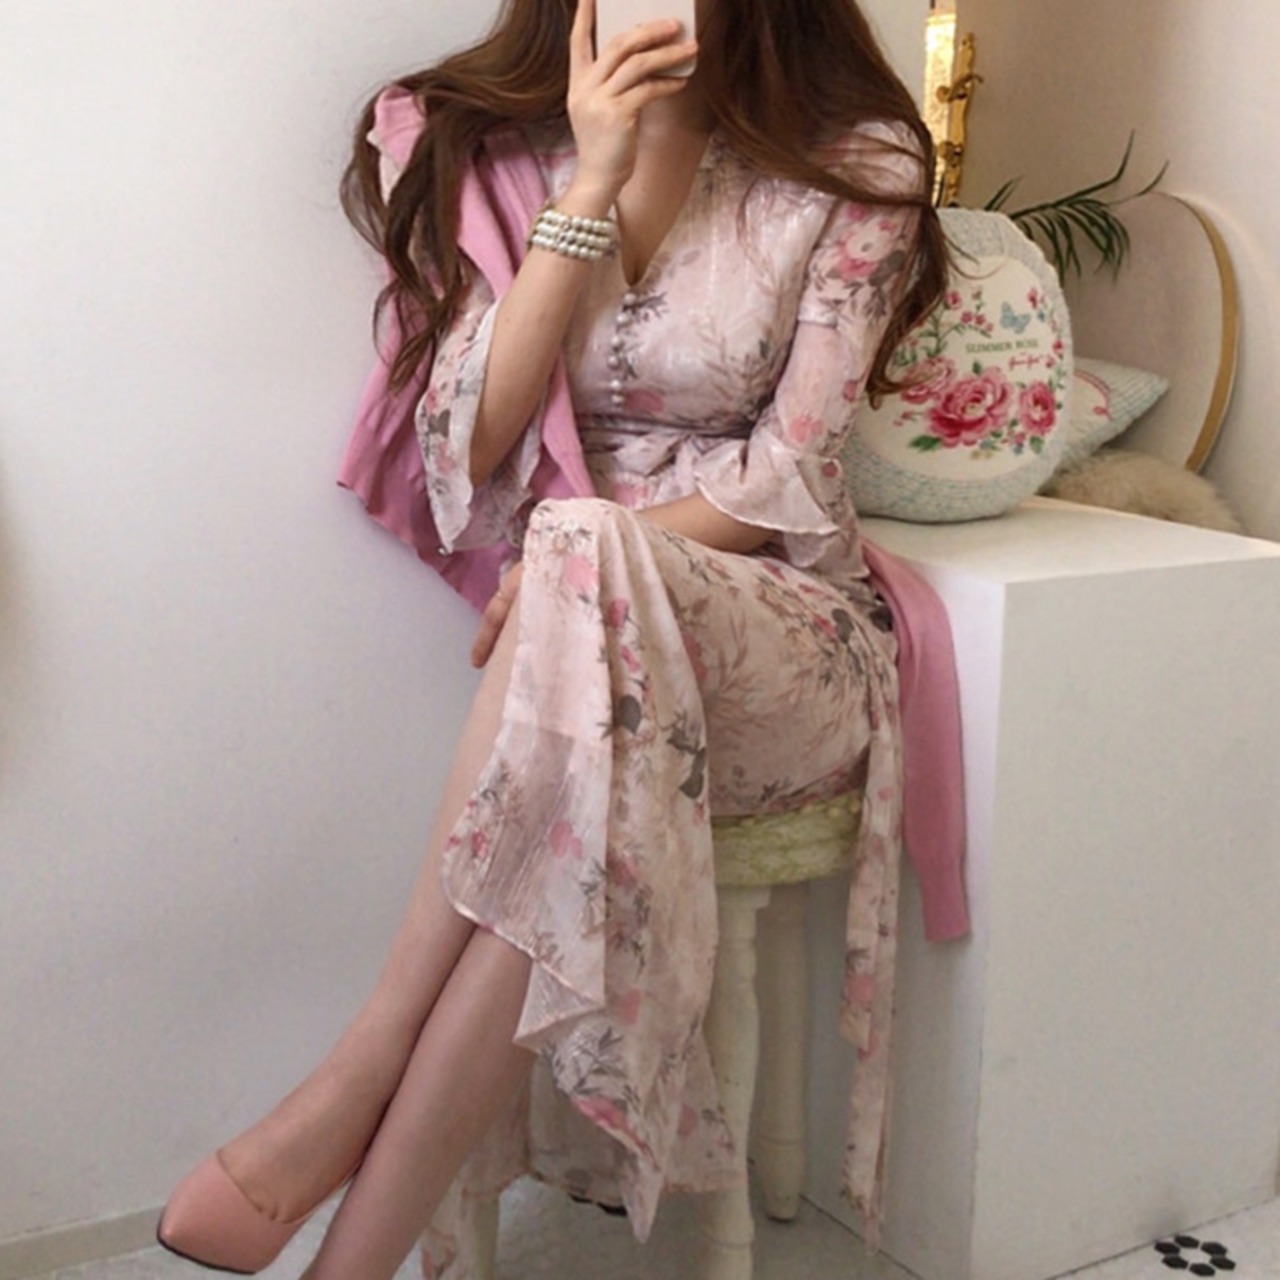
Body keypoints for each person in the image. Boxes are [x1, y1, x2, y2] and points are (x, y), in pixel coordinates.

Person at [157, 0, 963, 1275]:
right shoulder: (496, 152)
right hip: (576, 641)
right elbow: (471, 445)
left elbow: (789, 476)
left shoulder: (855, 156)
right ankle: (356, 1256)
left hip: (781, 638)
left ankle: (354, 1078)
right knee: (562, 733)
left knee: (577, 546)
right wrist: (588, 178)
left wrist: (578, 563)